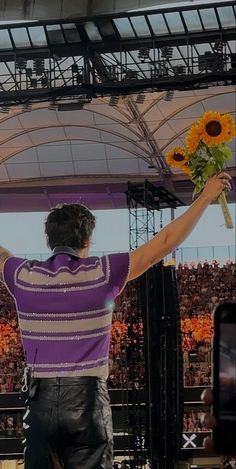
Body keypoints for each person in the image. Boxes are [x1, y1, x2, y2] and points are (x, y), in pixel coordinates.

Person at [0, 172, 232, 469]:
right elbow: (164, 242)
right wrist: (204, 198)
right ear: (87, 239)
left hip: (39, 403)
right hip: (87, 404)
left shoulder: (22, 275)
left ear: (49, 240)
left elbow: (2, 254)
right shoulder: (104, 271)